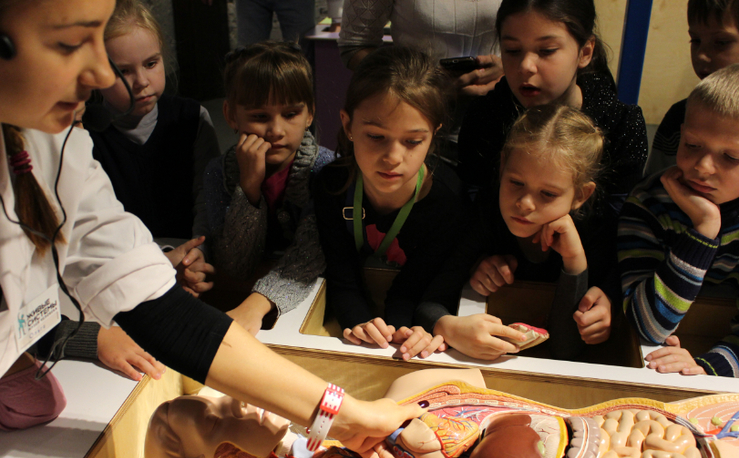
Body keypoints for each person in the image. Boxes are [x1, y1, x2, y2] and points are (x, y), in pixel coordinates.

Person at [0, 0, 423, 458]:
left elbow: (164, 314)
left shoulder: (49, 146)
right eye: (68, 43)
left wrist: (342, 416)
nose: (102, 76)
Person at [144, 368, 710, 458]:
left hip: (659, 437)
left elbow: (456, 379)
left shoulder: (355, 429)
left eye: (224, 397)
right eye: (215, 420)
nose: (237, 402)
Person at [457, 0, 647, 340]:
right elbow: (471, 212)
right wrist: (478, 260)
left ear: (585, 51)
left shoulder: (620, 125)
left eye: (546, 51)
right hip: (503, 293)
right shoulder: (485, 117)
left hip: (583, 297)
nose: (526, 66)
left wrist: (610, 292)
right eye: (512, 50)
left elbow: (626, 231)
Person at [313, 47, 467, 361]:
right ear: (348, 125)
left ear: (433, 135)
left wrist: (401, 331)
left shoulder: (449, 203)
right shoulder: (329, 185)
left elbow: (415, 289)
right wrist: (359, 322)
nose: (393, 157)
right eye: (376, 136)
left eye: (412, 141)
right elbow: (341, 276)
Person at [416, 105, 604, 361]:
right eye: (516, 183)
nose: (525, 203)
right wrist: (448, 326)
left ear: (581, 195)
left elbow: (566, 350)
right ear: (503, 164)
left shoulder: (594, 235)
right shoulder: (485, 215)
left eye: (547, 194)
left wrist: (574, 262)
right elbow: (428, 304)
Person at [201, 41, 334, 334]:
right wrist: (249, 187)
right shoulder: (219, 173)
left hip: (310, 304)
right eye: (260, 117)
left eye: (290, 114)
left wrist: (255, 305)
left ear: (309, 113)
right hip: (245, 302)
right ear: (231, 115)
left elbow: (311, 256)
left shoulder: (326, 171)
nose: (276, 130)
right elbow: (235, 266)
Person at [620, 65, 739, 379]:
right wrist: (705, 228)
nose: (703, 166)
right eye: (692, 145)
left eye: (731, 157)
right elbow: (647, 325)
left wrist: (708, 367)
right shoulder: (649, 203)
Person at [87, 0, 220, 246]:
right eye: (123, 71)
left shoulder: (192, 118)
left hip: (189, 253)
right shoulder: (84, 133)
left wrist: (198, 251)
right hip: (124, 258)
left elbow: (209, 199)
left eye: (151, 64)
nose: (141, 81)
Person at [646, 0, 739, 176]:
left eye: (721, 42)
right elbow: (651, 185)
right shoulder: (678, 117)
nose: (701, 55)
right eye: (696, 40)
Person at [338, 0, 504, 95]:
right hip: (417, 114)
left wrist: (507, 68)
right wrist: (416, 83)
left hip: (503, 107)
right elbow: (355, 46)